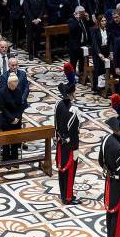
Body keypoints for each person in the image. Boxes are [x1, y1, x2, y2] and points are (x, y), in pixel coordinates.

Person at [54, 69, 81, 205]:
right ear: (72, 94)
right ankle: (68, 197)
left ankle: (63, 193)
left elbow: (56, 125)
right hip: (70, 146)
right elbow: (74, 132)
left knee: (61, 171)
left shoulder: (58, 105)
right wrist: (75, 149)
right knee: (70, 173)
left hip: (60, 143)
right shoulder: (73, 110)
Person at [0, 74, 24, 161]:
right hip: (6, 120)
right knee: (6, 141)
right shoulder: (2, 92)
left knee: (15, 140)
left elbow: (20, 106)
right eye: (12, 85)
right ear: (8, 83)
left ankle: (14, 158)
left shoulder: (18, 91)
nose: (14, 87)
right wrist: (11, 119)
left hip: (16, 120)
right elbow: (3, 108)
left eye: (15, 85)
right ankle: (6, 159)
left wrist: (17, 118)